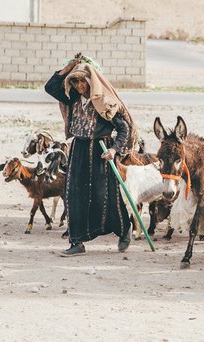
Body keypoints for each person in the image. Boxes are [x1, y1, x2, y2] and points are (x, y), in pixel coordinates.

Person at [45, 52, 138, 256]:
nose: (79, 85)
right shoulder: (72, 99)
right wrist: (71, 66)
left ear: (91, 81)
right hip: (78, 149)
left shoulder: (103, 102)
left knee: (105, 195)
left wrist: (114, 149)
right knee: (73, 195)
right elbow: (50, 87)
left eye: (82, 81)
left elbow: (124, 129)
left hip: (101, 152)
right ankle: (77, 242)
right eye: (76, 81)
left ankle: (124, 230)